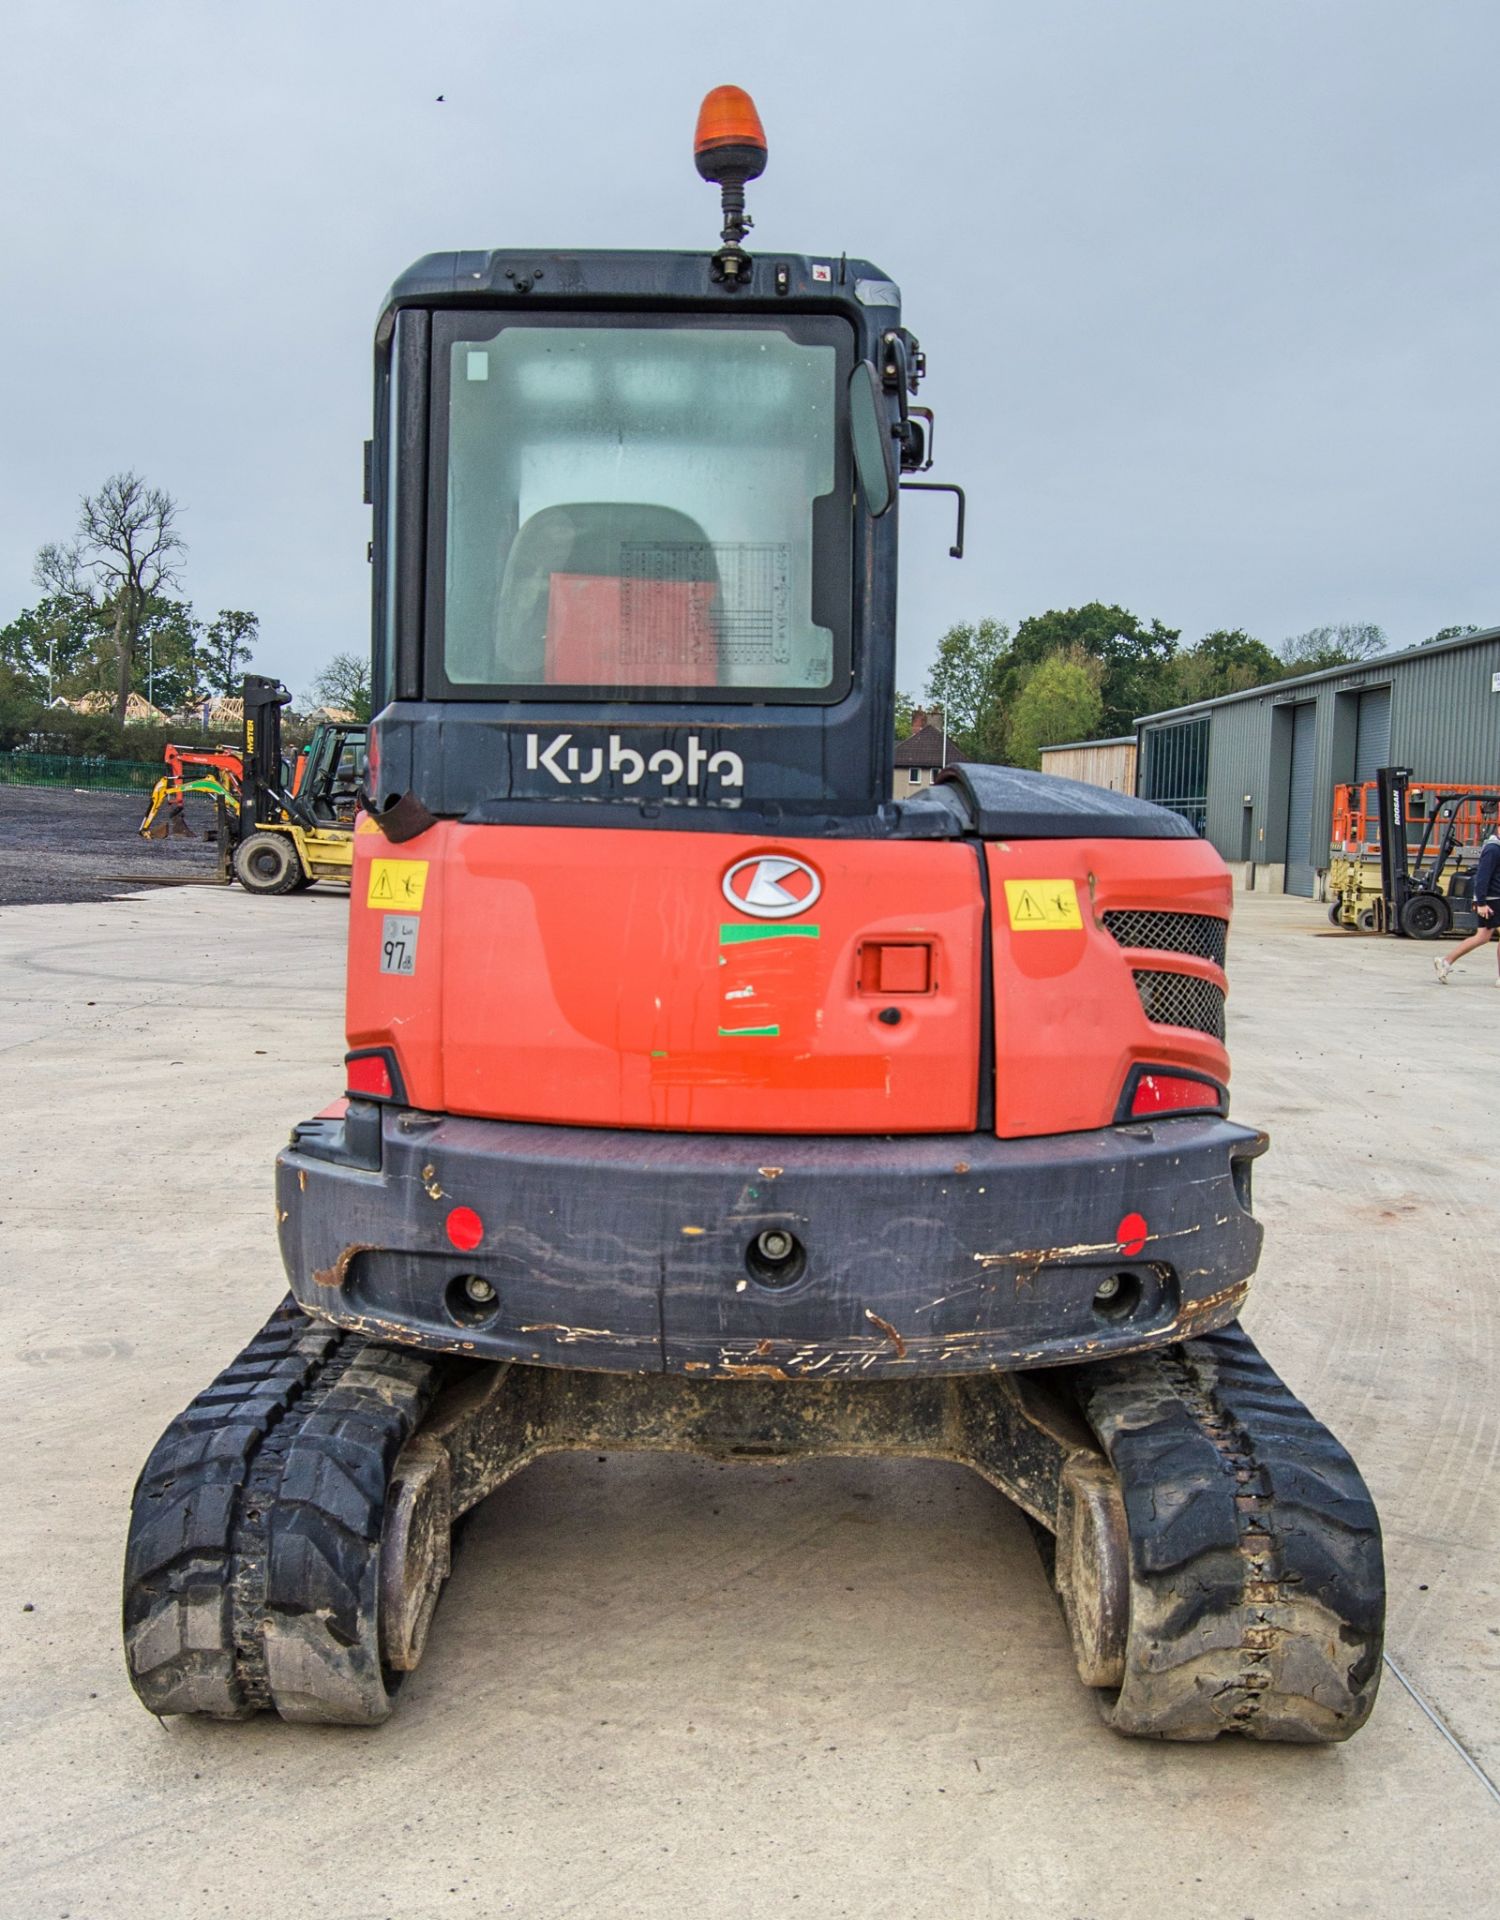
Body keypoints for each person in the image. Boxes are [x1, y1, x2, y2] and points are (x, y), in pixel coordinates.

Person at [1434, 820, 1500, 984]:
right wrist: (1481, 902)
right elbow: (1482, 876)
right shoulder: (1493, 850)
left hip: (1492, 898)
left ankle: (1446, 961)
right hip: (1493, 899)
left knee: (1482, 936)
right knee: (1483, 936)